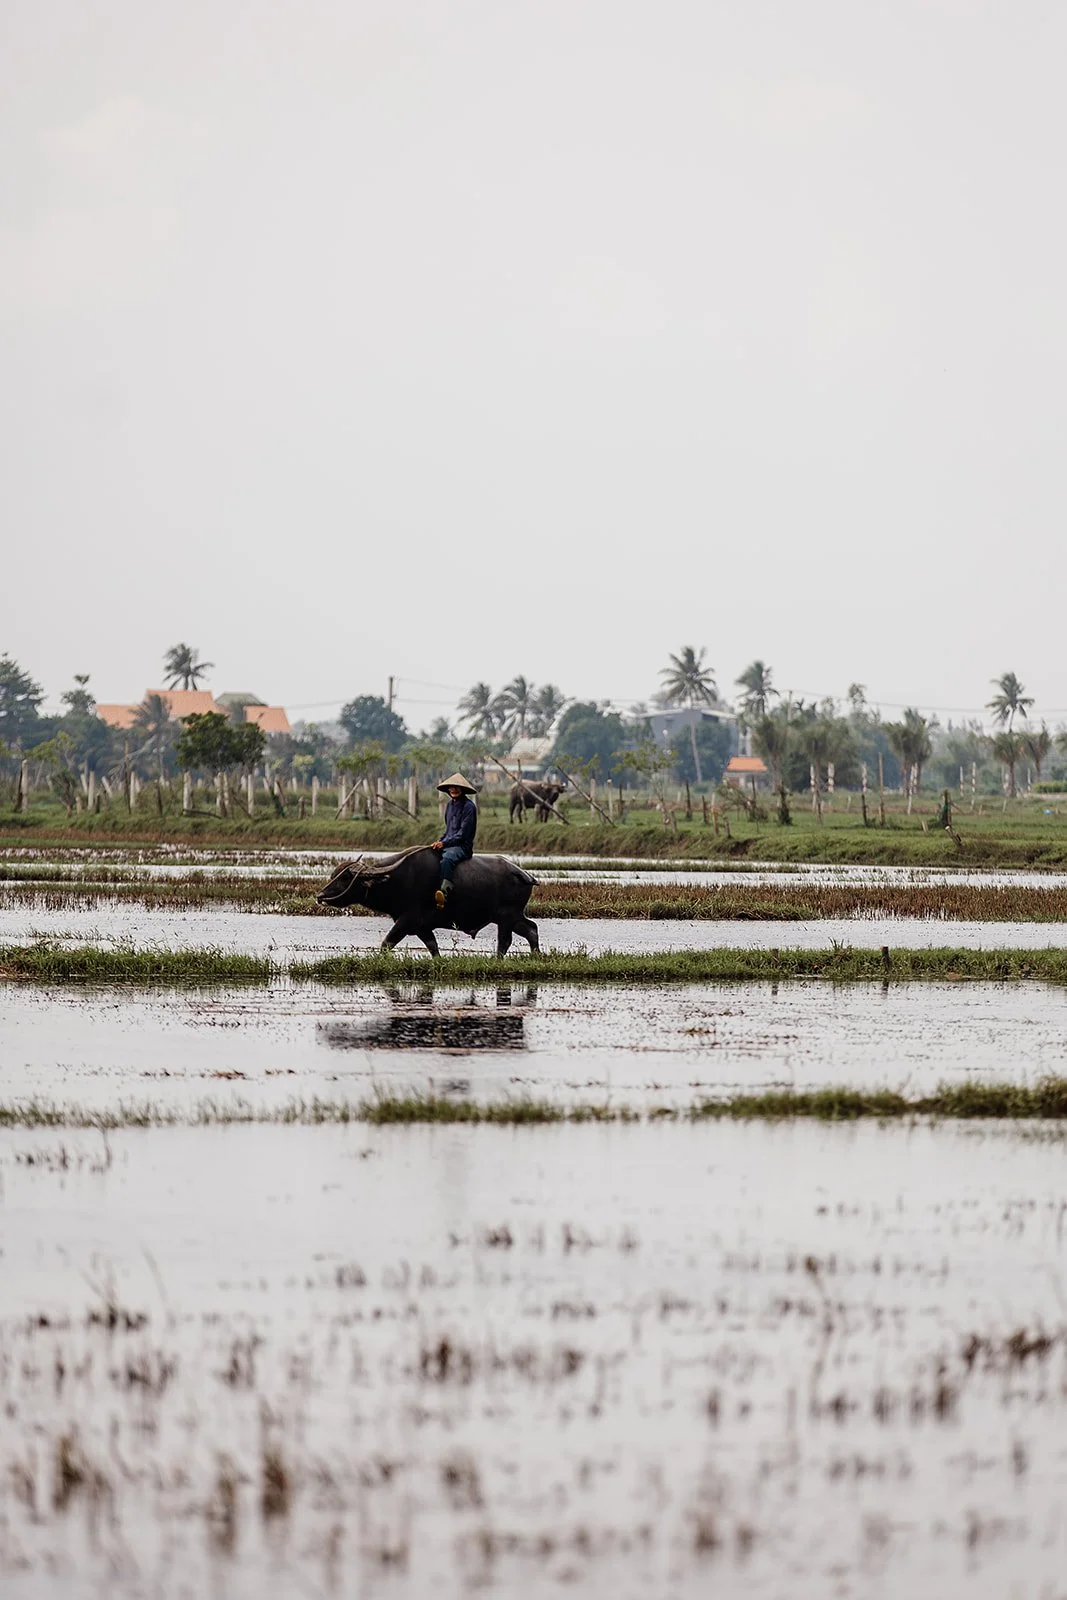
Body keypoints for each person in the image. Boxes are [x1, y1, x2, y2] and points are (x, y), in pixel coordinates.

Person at [430, 772, 478, 909]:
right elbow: (449, 830)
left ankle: (444, 893)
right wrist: (439, 841)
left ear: (462, 789)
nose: (453, 790)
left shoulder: (469, 807)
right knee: (429, 854)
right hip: (449, 843)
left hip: (462, 847)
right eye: (451, 787)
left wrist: (444, 843)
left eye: (457, 787)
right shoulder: (450, 806)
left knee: (447, 859)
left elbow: (462, 834)